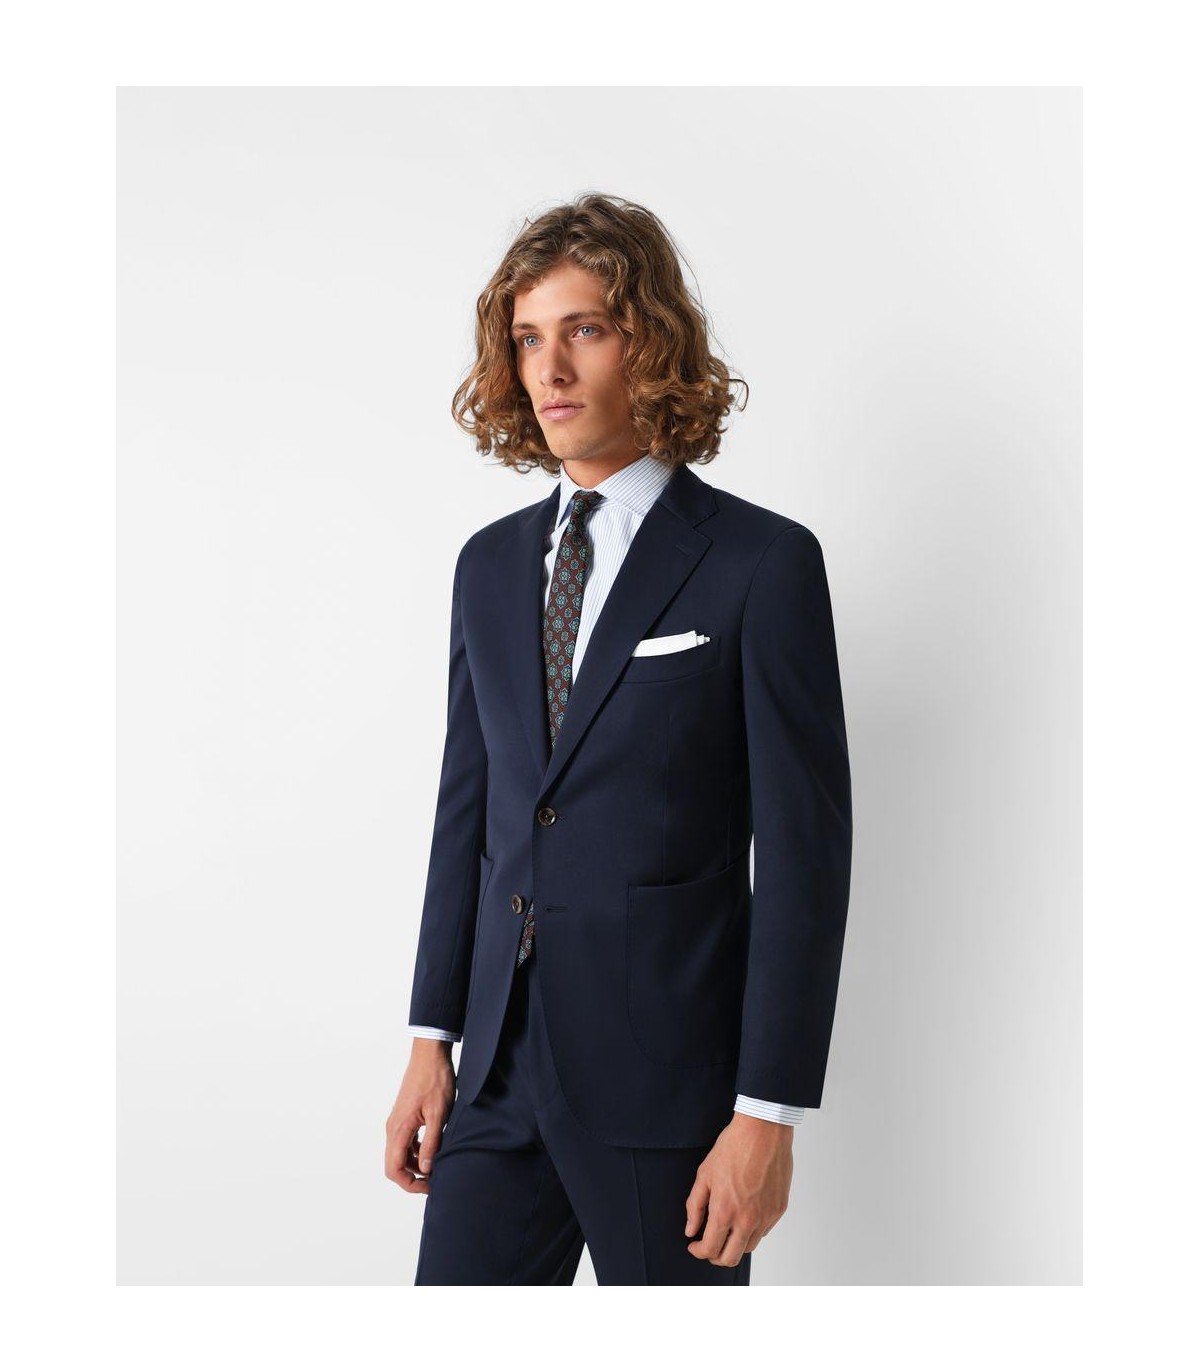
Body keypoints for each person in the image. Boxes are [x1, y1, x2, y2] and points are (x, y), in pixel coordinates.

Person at [383, 193, 853, 1285]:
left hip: (671, 1089)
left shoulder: (759, 564)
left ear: (649, 341)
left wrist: (767, 1113)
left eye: (584, 329)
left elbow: (803, 857)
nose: (549, 369)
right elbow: (469, 817)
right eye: (527, 339)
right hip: (495, 1075)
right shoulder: (488, 567)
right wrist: (430, 1037)